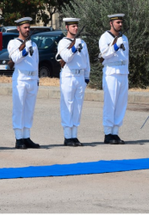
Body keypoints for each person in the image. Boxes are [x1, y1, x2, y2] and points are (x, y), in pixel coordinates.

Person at [56, 18, 90, 146]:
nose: (75, 28)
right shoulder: (63, 42)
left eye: (76, 26)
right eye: (73, 26)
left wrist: (87, 76)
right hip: (68, 76)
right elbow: (66, 57)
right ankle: (67, 136)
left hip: (80, 77)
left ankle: (74, 135)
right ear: (67, 28)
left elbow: (86, 61)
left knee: (78, 107)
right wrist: (74, 48)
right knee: (67, 105)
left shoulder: (82, 42)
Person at [7, 17, 40, 149]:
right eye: (25, 27)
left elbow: (36, 63)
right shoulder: (13, 43)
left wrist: (37, 79)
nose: (27, 30)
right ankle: (18, 138)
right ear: (18, 28)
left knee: (29, 110)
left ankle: (26, 136)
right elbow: (14, 58)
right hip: (20, 79)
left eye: (28, 27)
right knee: (19, 108)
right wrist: (24, 51)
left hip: (32, 79)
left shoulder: (34, 44)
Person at [99, 14, 128, 144]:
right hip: (111, 73)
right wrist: (115, 46)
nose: (120, 25)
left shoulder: (124, 38)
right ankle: (108, 133)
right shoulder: (104, 37)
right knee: (110, 104)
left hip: (123, 72)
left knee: (121, 104)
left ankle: (115, 132)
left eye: (121, 22)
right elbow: (104, 55)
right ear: (111, 23)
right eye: (118, 22)